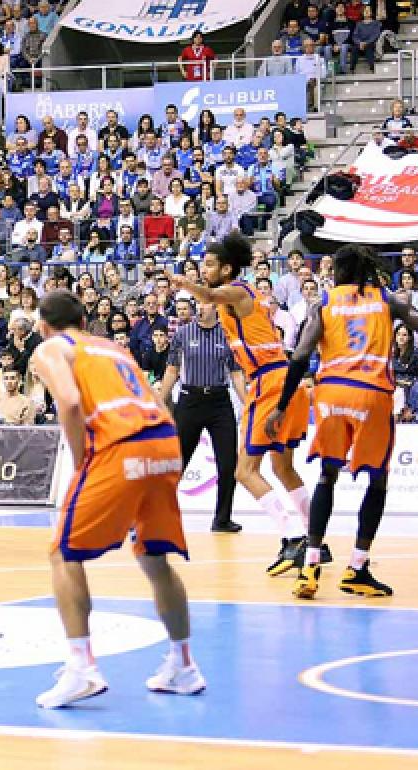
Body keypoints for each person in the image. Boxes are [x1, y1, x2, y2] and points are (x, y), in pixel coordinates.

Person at [267, 245, 418, 599]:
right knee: (377, 482)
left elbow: (299, 357)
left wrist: (281, 406)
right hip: (371, 394)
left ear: (340, 273)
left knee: (327, 476)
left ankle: (310, 565)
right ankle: (357, 567)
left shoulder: (323, 303)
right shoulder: (389, 300)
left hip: (331, 396)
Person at [29, 289, 203, 707]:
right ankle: (183, 665)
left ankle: (81, 668)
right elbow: (157, 399)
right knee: (153, 557)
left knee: (63, 554)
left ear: (42, 323)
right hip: (165, 443)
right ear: (84, 321)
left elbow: (69, 402)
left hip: (120, 444)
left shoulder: (52, 347)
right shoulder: (112, 348)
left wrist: (79, 460)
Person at [170, 234, 316, 576]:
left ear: (227, 268)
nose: (204, 270)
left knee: (244, 471)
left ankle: (293, 538)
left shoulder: (236, 291)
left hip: (270, 381)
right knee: (282, 468)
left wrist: (183, 281)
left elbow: (207, 294)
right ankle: (315, 539)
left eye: (208, 264)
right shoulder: (235, 300)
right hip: (285, 380)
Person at [157, 300, 246, 533]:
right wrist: (159, 400)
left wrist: (248, 403)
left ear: (216, 308)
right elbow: (172, 369)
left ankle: (222, 519)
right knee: (177, 461)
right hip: (190, 401)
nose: (200, 308)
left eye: (205, 305)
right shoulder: (183, 334)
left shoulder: (228, 334)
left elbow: (236, 374)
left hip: (219, 402)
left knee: (228, 464)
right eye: (198, 304)